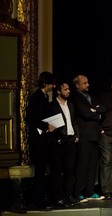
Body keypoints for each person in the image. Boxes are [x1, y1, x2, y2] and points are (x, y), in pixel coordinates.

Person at [70, 74, 106, 203]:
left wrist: (94, 111)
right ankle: (78, 192)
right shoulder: (75, 97)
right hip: (84, 135)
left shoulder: (92, 97)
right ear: (77, 85)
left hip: (95, 135)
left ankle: (89, 191)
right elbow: (84, 113)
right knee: (82, 165)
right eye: (84, 83)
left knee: (92, 165)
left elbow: (103, 108)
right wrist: (95, 113)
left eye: (88, 82)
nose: (88, 85)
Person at [26, 71, 56, 208]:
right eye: (51, 84)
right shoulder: (36, 98)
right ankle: (38, 200)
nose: (53, 87)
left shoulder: (44, 98)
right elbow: (32, 119)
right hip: (38, 141)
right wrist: (46, 125)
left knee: (45, 170)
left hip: (45, 140)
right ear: (45, 84)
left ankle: (44, 197)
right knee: (40, 170)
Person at [49, 80, 79, 207]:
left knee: (70, 171)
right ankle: (58, 198)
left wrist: (77, 136)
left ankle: (69, 196)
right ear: (58, 91)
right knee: (57, 171)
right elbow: (50, 124)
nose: (68, 91)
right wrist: (58, 138)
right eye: (65, 89)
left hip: (71, 140)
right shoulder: (52, 105)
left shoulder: (70, 105)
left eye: (68, 89)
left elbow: (74, 121)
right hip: (59, 141)